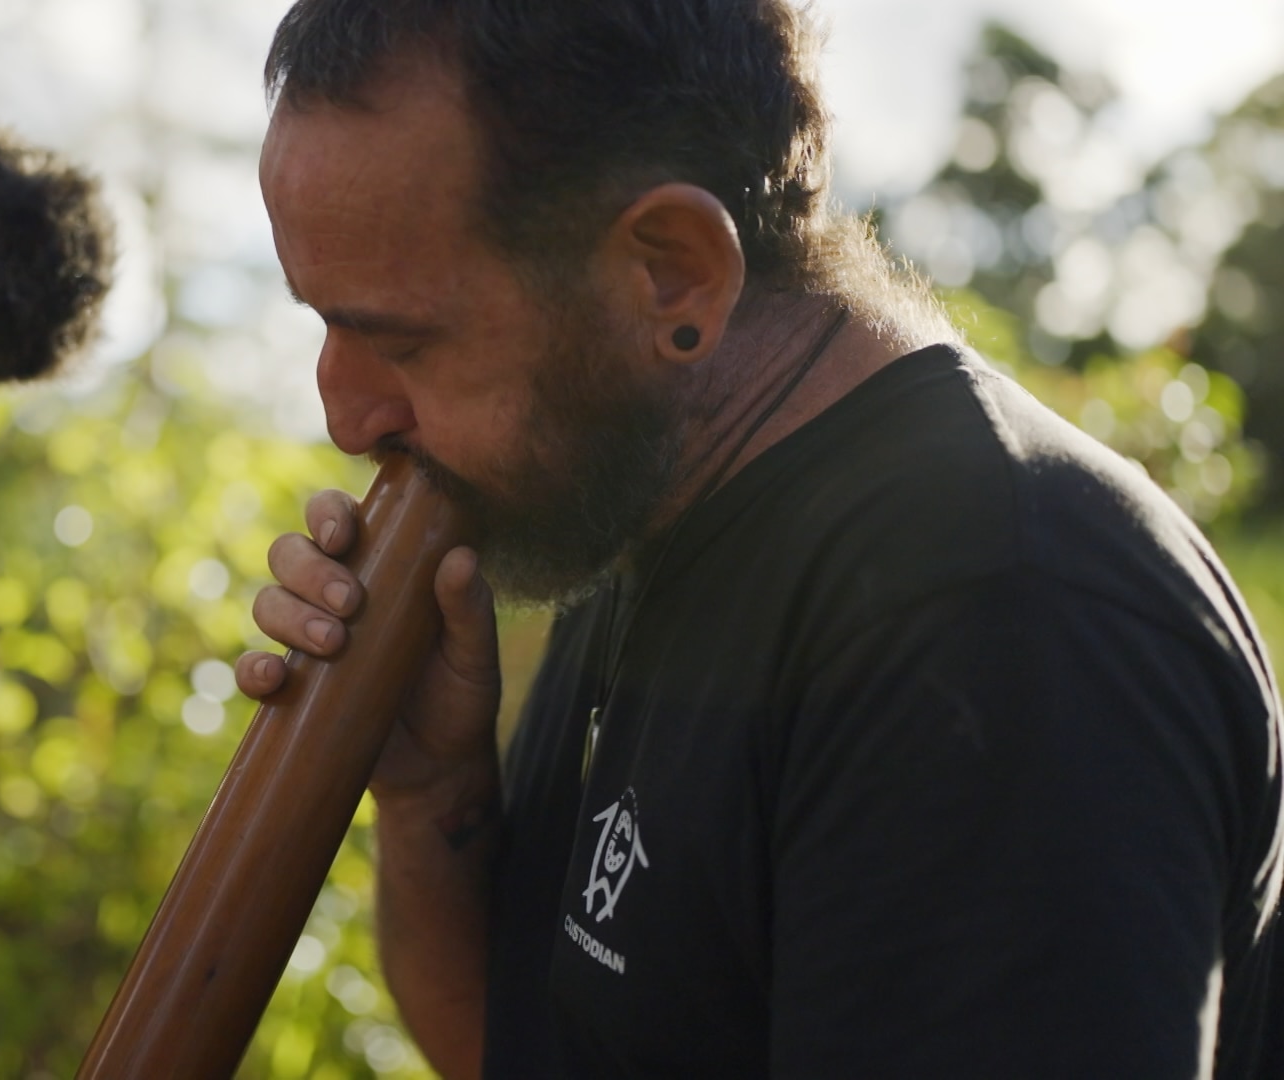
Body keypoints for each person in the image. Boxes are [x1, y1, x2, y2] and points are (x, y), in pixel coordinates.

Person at [229, 0, 1284, 1077]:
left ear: (674, 273)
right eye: (323, 321)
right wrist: (430, 799)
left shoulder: (1002, 613)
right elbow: (521, 1053)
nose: (346, 416)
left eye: (398, 338)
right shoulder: (634, 499)